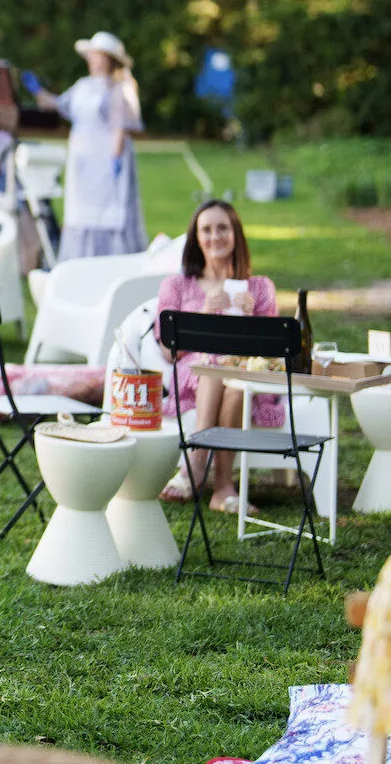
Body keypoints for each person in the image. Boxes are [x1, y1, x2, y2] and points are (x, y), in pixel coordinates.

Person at [156, 199, 282, 513]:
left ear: (235, 234)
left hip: (244, 378)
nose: (215, 236)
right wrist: (203, 314)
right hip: (193, 374)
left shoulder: (260, 288)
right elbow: (167, 351)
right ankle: (218, 481)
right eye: (207, 229)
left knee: (235, 381)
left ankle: (202, 471)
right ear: (196, 238)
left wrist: (253, 319)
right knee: (215, 364)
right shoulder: (177, 286)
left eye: (222, 228)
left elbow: (274, 354)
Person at [33, 31, 145, 257]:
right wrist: (36, 90)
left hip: (105, 161)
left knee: (108, 213)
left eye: (97, 55)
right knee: (80, 212)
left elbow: (119, 128)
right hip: (83, 161)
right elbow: (59, 105)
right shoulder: (83, 86)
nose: (93, 60)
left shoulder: (117, 89)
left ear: (108, 59)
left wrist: (115, 159)